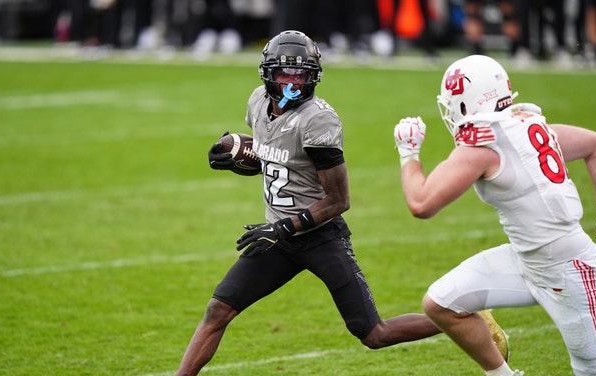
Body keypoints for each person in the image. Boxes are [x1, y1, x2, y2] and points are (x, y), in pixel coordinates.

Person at [175, 30, 508, 375]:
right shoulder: (258, 103)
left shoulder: (317, 120)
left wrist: (282, 227)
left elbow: (338, 199)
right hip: (278, 237)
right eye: (284, 73)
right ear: (268, 74)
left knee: (374, 334)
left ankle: (466, 319)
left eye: (300, 74)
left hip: (320, 237)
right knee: (218, 310)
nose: (292, 81)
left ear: (313, 77)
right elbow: (277, 162)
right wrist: (239, 151)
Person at [393, 54, 596, 376]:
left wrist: (408, 152)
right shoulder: (527, 124)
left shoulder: (482, 147)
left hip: (571, 271)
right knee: (440, 303)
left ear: (464, 104)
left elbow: (421, 203)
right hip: (527, 260)